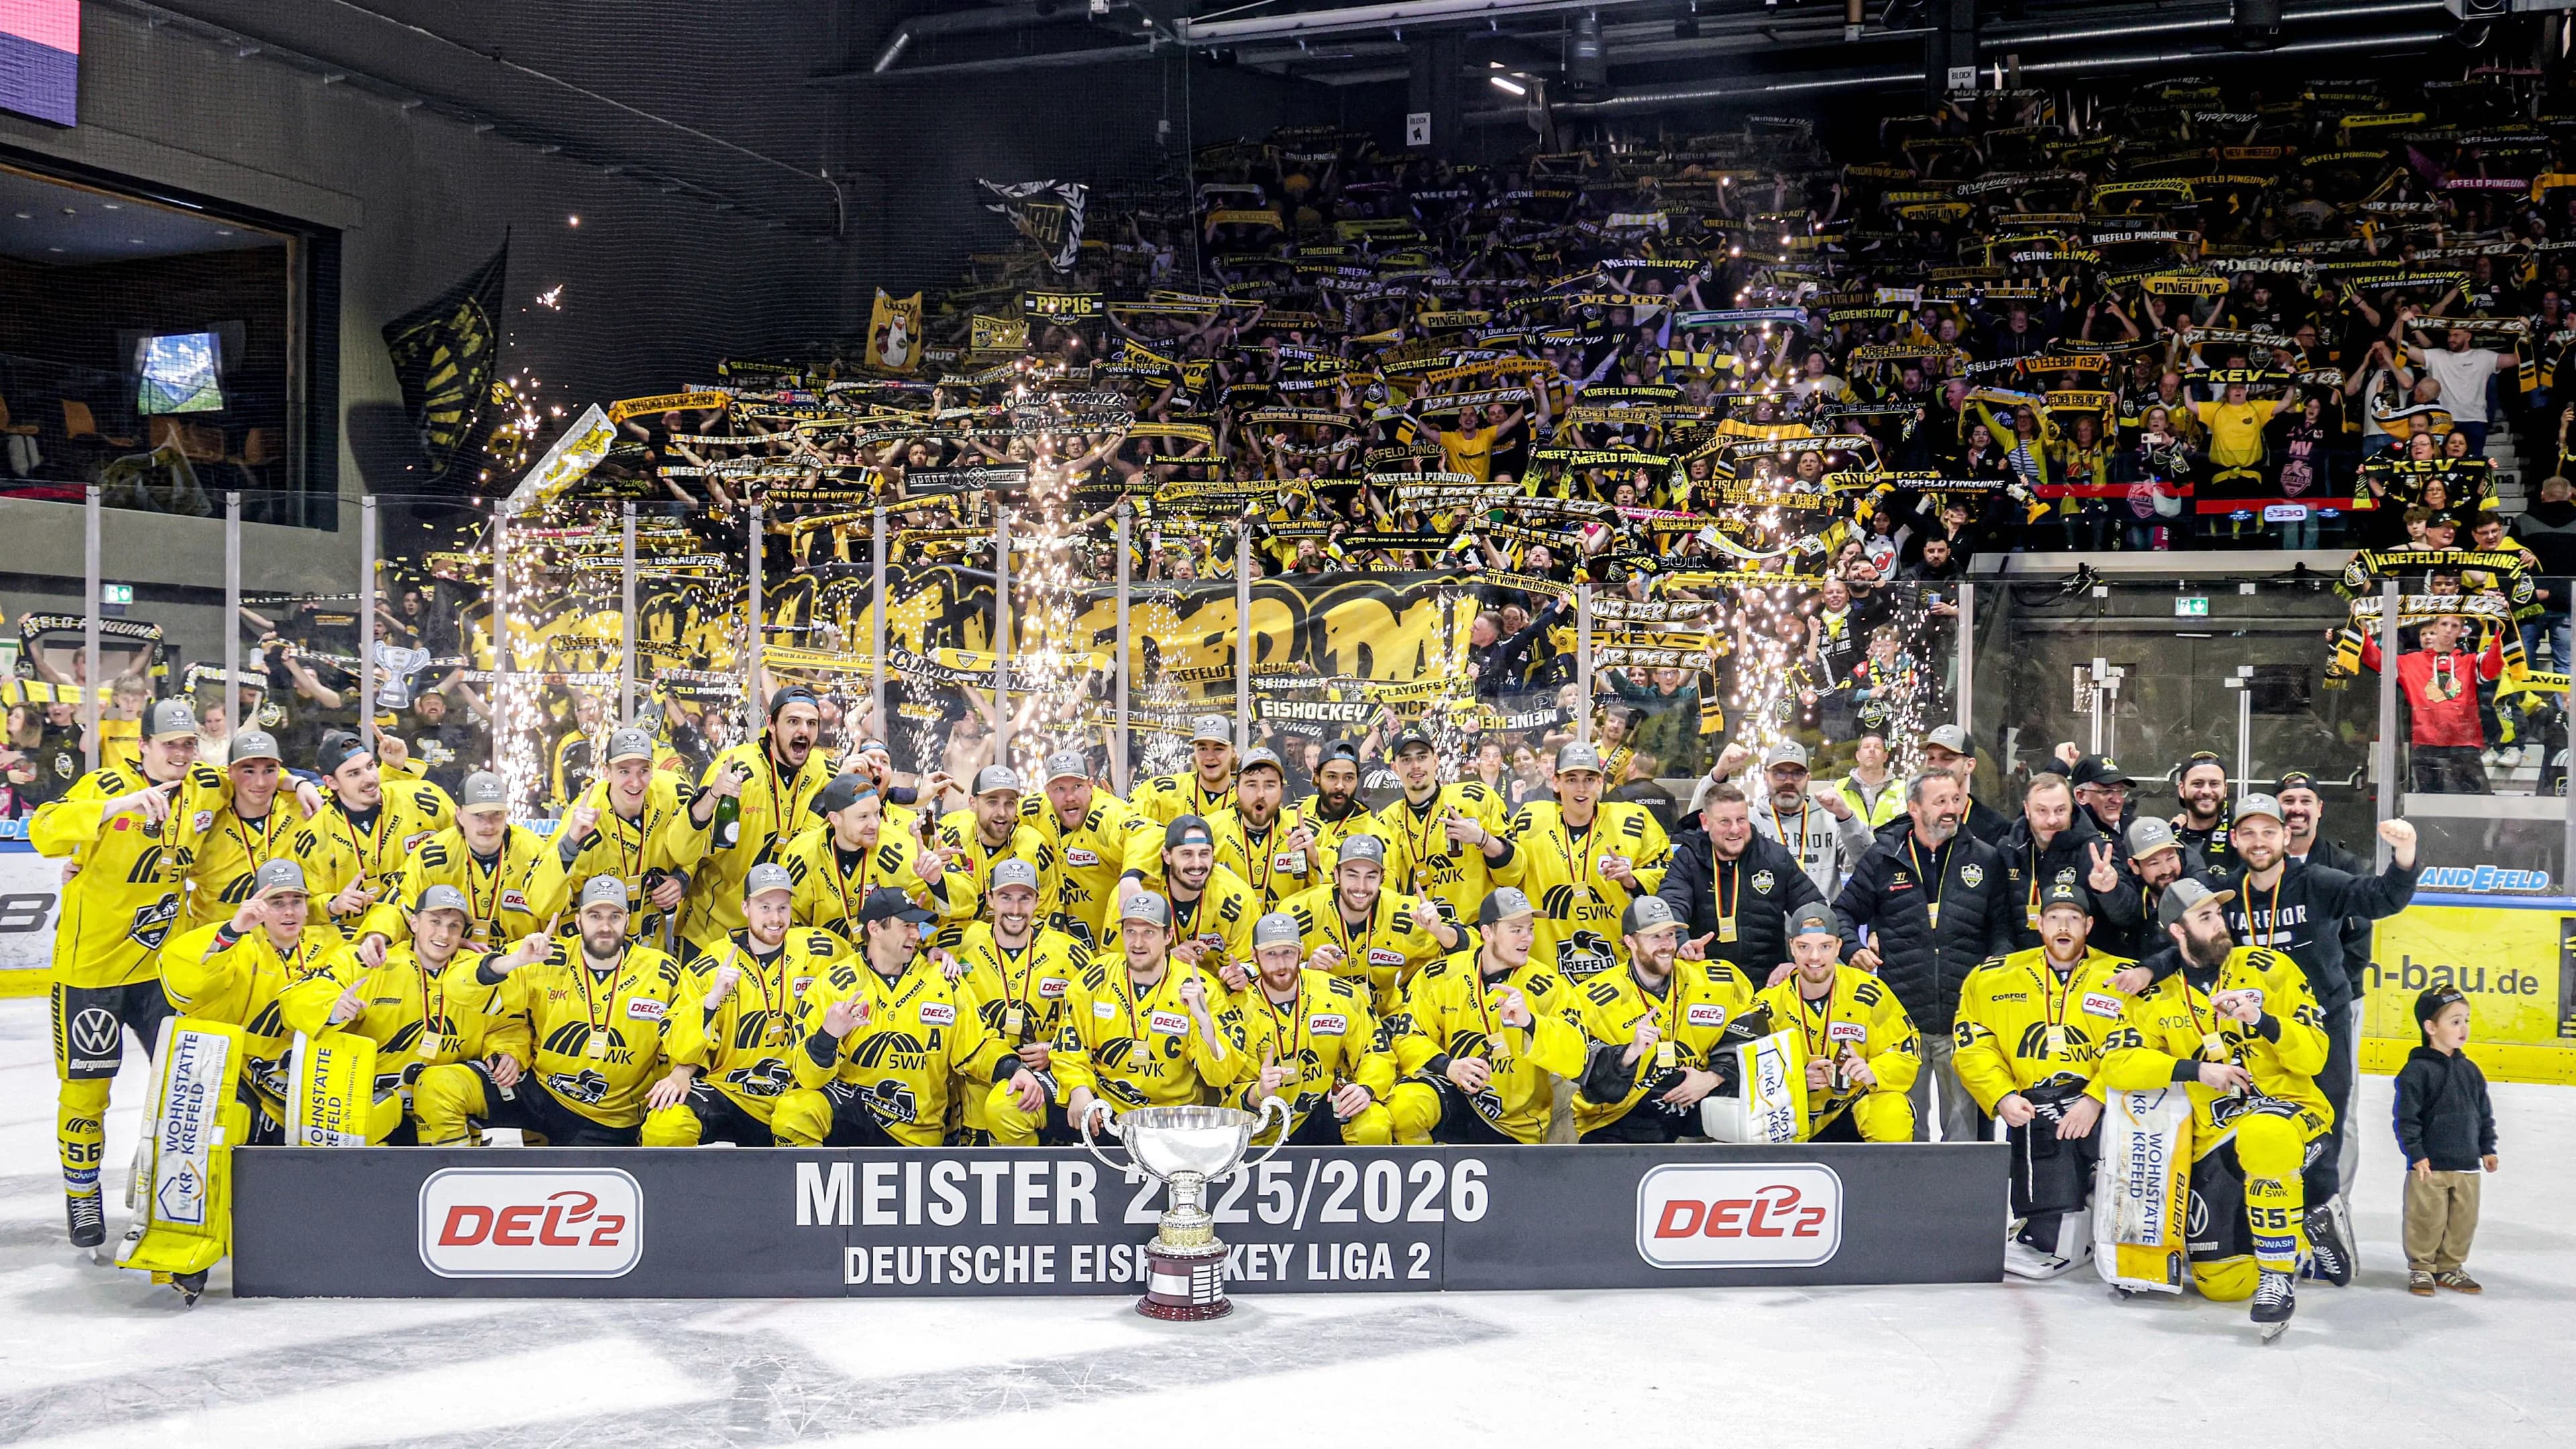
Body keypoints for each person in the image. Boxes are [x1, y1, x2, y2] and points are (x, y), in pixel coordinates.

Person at [30, 698, 233, 1247]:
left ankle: (168, 1190)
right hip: (91, 973)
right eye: (170, 745)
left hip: (161, 971)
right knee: (87, 1093)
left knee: (182, 1090)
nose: (181, 754)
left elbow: (251, 780)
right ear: (142, 746)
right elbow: (44, 830)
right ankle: (82, 1194)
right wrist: (113, 808)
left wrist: (294, 784)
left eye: (189, 743)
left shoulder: (205, 785)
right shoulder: (104, 784)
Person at [2097, 879, 2332, 1336]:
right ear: (2177, 931)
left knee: (2264, 1135)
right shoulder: (2154, 996)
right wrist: (2195, 1071)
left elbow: (2314, 1057)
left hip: (2292, 1110)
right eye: (2205, 918)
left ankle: (2277, 1277)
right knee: (2223, 1285)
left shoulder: (2269, 969)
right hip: (2218, 1134)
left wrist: (2261, 1020)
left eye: (2219, 914)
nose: (2220, 925)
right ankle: (2309, 1228)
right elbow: (2117, 1065)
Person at [2210, 795, 2420, 1285]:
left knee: (2324, 1129)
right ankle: (2263, 1236)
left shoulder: (2318, 882)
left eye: (2269, 832)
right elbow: (2188, 942)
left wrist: (2405, 854)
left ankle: (2323, 1223)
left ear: (2286, 837)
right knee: (2251, 1131)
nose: (2259, 842)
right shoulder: (2225, 894)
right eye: (2249, 833)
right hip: (2253, 1036)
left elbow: (2383, 898)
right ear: (2235, 839)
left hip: (2319, 1029)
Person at [415, 877, 696, 1147]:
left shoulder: (661, 970)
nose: (605, 926)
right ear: (578, 920)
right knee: (439, 1086)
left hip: (609, 1115)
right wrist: (515, 961)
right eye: (595, 916)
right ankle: (452, 1175)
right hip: (541, 1091)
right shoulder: (548, 955)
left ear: (627, 920)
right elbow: (457, 987)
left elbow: (686, 1033)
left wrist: (683, 1071)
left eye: (614, 916)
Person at [1953, 881, 2129, 1277]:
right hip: (2035, 1109)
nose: (2063, 927)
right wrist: (2001, 1096)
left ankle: (2094, 1222)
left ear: (2088, 925)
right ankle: (2051, 1229)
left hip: (2104, 1106)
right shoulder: (1994, 977)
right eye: (2054, 917)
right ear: (2039, 923)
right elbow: (1973, 1045)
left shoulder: (2122, 976)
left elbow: (2136, 1044)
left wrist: (2096, 1098)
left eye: (2073, 918)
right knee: (2047, 1234)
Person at [780, 885, 1042, 1146]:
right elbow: (806, 1078)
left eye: (917, 927)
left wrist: (1014, 1069)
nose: (916, 935)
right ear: (875, 929)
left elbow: (980, 1046)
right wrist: (827, 1036)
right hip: (853, 1116)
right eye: (906, 926)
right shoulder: (833, 984)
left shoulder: (942, 979)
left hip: (917, 1134)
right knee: (795, 1110)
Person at [1833, 769, 2013, 1142]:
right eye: (1940, 801)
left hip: (1963, 1017)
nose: (1952, 809)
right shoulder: (1884, 857)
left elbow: (2002, 928)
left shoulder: (1985, 858)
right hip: (1902, 1020)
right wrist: (1852, 949)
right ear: (1914, 808)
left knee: (1963, 1137)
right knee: (1905, 1129)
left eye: (1956, 800)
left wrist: (1996, 968)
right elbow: (1843, 913)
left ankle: (1959, 1185)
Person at [284, 882, 529, 1144]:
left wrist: (507, 1051)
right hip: (370, 1106)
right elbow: (296, 997)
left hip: (442, 1108)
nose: (444, 934)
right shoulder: (373, 961)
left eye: (454, 926)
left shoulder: (476, 972)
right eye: (435, 922)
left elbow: (508, 1022)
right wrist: (333, 1009)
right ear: (414, 923)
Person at [647, 863, 847, 1146]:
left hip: (795, 1088)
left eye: (782, 908)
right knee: (666, 1122)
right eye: (764, 908)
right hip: (729, 1090)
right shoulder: (712, 963)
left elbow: (868, 964)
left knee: (798, 1116)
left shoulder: (821, 949)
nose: (775, 918)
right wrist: (711, 1001)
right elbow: (677, 1043)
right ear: (745, 908)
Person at [1387, 887, 1584, 1145]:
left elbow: (1576, 1056)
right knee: (1405, 1107)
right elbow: (1407, 1035)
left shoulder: (1547, 985)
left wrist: (1531, 1023)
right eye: (1516, 930)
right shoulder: (1440, 975)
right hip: (1455, 1095)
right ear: (1488, 933)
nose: (1527, 938)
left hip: (1515, 1123)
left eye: (1530, 929)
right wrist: (1448, 1066)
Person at [1568, 896, 1758, 1142]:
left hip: (1701, 1100)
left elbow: (1753, 1031)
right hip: (1625, 1113)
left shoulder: (1716, 979)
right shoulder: (1592, 999)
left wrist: (1712, 1077)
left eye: (1670, 935)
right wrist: (1627, 1055)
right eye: (1655, 937)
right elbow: (1591, 1081)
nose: (1667, 945)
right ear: (1630, 941)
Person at [1214, 912, 1395, 1143]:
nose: (1281, 965)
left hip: (1328, 1108)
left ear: (1301, 952)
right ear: (1254, 956)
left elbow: (1375, 1051)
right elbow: (1229, 1095)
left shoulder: (1340, 994)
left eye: (1288, 952)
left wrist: (1366, 1088)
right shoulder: (1237, 1009)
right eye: (1271, 954)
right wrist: (1258, 1092)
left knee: (1374, 1125)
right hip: (1267, 1126)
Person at [1054, 891, 1237, 1119]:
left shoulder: (1200, 987)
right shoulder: (1097, 976)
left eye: (1149, 932)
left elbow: (1221, 1076)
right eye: (1131, 931)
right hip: (1106, 1109)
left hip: (1174, 1116)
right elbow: (1069, 1043)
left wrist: (1204, 1023)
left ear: (1168, 936)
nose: (1138, 943)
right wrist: (1078, 1088)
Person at [1501, 741, 1670, 983]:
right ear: (1556, 782)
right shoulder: (1530, 820)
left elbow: (1666, 873)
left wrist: (1633, 880)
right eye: (1571, 779)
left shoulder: (1633, 820)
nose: (1581, 788)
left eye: (1589, 779)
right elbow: (1506, 873)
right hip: (1547, 969)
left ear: (1600, 783)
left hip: (1619, 968)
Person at [949, 858, 1091, 1145]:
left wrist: (1056, 1049)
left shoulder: (1070, 952)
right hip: (977, 1105)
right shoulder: (962, 943)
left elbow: (1093, 1025)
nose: (1015, 909)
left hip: (1045, 1098)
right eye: (1006, 897)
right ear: (990, 899)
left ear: (1038, 900)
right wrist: (934, 954)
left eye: (1025, 898)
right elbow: (913, 941)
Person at [1755, 902, 1921, 1142]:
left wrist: (1872, 1071)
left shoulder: (1869, 992)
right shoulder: (1767, 1004)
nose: (1814, 957)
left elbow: (1905, 1050)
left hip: (1849, 1108)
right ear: (1792, 947)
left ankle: (1887, 1168)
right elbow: (1746, 1076)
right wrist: (1796, 1080)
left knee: (1891, 1109)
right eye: (1804, 947)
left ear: (1838, 947)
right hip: (1789, 1117)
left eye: (1825, 946)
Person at [685, 686, 831, 943]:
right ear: (771, 725)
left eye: (811, 723)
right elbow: (687, 847)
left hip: (776, 932)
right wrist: (681, 877)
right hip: (714, 931)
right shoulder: (739, 770)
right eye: (793, 722)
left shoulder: (821, 769)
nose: (804, 731)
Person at [547, 727, 712, 948]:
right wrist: (569, 846)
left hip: (648, 949)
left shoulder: (673, 793)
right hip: (593, 950)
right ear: (606, 772)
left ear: (652, 770)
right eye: (624, 771)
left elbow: (696, 845)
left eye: (643, 770)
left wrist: (682, 878)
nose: (635, 783)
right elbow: (545, 901)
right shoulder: (584, 816)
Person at [364, 769, 553, 953]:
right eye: (478, 815)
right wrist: (379, 934)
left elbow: (557, 910)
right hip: (451, 959)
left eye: (496, 813)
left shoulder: (536, 853)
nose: (488, 825)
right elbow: (398, 904)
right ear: (459, 814)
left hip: (523, 960)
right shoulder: (434, 854)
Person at [1656, 780, 1821, 985]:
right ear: (1705, 822)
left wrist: (1797, 962)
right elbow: (1670, 906)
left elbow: (1814, 911)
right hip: (1705, 982)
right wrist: (1682, 942)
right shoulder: (1688, 859)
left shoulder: (1775, 857)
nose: (1735, 829)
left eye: (1741, 820)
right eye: (1725, 821)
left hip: (1769, 983)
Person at [2394, 986, 2498, 1297]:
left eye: (2466, 1020)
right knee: (2425, 1220)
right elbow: (2406, 1118)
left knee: (2462, 1223)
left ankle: (2450, 1267)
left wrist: (2487, 1148)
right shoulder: (2416, 1071)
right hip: (2430, 1166)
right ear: (2430, 1027)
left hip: (2467, 1165)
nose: (2464, 1028)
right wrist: (2416, 1153)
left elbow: (2483, 1113)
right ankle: (2422, 1267)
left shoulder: (2471, 1071)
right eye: (2455, 1022)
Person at [1284, 833, 1452, 1016]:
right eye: (1352, 875)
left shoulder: (1409, 913)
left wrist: (1440, 931)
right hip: (1320, 1020)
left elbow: (1469, 954)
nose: (1361, 887)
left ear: (1382, 878)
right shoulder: (1299, 911)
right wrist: (1306, 970)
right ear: (1336, 874)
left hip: (1387, 1018)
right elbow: (1267, 975)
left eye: (1371, 877)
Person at [784, 774, 969, 938]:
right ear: (835, 819)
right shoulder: (803, 853)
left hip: (886, 957)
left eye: (877, 813)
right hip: (823, 958)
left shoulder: (898, 846)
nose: (875, 824)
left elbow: (966, 903)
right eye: (863, 817)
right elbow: (787, 928)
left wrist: (936, 882)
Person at [1371, 726, 1515, 928]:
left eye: (1422, 757)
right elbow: (1385, 893)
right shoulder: (1385, 822)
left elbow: (1515, 873)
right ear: (1395, 768)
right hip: (1420, 934)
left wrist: (1483, 840)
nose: (1415, 766)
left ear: (1436, 761)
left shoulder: (1477, 798)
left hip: (1479, 933)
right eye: (1406, 760)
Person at [2358, 612, 2504, 794]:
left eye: (2454, 626)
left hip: (2465, 744)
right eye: (2444, 624)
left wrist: (2501, 627)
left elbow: (2494, 665)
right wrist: (2361, 630)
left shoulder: (2470, 661)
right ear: (2435, 627)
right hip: (2426, 744)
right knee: (2428, 804)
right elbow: (2376, 659)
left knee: (2478, 802)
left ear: (2461, 631)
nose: (2448, 630)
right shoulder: (2410, 661)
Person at [181, 728, 307, 932]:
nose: (260, 782)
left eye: (269, 771)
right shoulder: (208, 817)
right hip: (216, 936)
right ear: (230, 772)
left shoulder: (300, 806)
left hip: (282, 939)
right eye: (249, 771)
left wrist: (300, 782)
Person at [1714, 739, 1873, 900]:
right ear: (1766, 776)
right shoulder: (1748, 822)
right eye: (1780, 773)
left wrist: (1847, 818)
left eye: (1798, 773)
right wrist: (1718, 773)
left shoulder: (1830, 819)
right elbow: (1702, 830)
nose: (1789, 781)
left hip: (1822, 915)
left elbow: (1872, 865)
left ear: (1808, 777)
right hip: (1767, 915)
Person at [1993, 772, 2133, 953]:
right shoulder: (2008, 849)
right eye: (2042, 811)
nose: (2052, 820)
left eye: (2060, 810)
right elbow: (1998, 919)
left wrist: (2111, 892)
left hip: (2085, 964)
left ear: (2072, 809)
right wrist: (2003, 955)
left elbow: (2130, 918)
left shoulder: (2095, 850)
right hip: (2025, 964)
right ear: (2027, 810)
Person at [1022, 749, 1147, 947]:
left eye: (1078, 786)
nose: (1070, 797)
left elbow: (1143, 833)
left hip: (1108, 950)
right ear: (1047, 791)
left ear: (1091, 785)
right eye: (1060, 789)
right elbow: (995, 817)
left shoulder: (1108, 813)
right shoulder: (1035, 810)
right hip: (1052, 950)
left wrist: (1131, 876)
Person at [1110, 814, 1257, 968]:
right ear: (1167, 856)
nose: (1197, 864)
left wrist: (1240, 974)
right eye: (1187, 854)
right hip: (1151, 981)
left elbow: (1250, 963)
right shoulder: (1133, 895)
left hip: (1214, 983)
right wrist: (1165, 959)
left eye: (1204, 854)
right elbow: (1112, 967)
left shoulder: (1238, 896)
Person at [1208, 746, 1318, 912]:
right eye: (1251, 785)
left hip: (1289, 928)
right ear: (1236, 789)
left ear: (1282, 790)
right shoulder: (1209, 831)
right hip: (1230, 929)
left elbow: (1335, 894)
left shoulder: (1310, 833)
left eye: (1270, 785)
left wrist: (1315, 860)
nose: (1260, 794)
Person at [936, 765, 1051, 922]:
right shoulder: (949, 837)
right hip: (957, 935)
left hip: (1015, 936)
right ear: (972, 804)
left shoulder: (1035, 846)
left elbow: (1048, 913)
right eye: (992, 802)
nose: (1002, 813)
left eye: (1010, 803)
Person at [1132, 714, 1238, 827]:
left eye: (1218, 749)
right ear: (1194, 751)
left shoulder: (1245, 797)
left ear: (1233, 752)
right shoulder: (1162, 790)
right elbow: (1125, 821)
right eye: (1203, 749)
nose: (1210, 757)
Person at [1919, 723, 2012, 846]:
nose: (1935, 766)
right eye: (1931, 758)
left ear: (1969, 766)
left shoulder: (1996, 830)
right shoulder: (1909, 824)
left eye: (1947, 758)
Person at [2170, 752, 2239, 874]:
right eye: (2197, 784)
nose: (2206, 791)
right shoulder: (2169, 838)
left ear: (2225, 790)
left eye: (2214, 784)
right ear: (2182, 789)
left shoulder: (2241, 837)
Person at [1832, 733, 1905, 830]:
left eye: (1877, 747)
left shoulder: (1902, 789)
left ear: (1885, 757)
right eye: (1867, 747)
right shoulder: (1839, 787)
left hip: (1890, 841)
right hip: (1849, 840)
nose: (1872, 750)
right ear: (1858, 756)